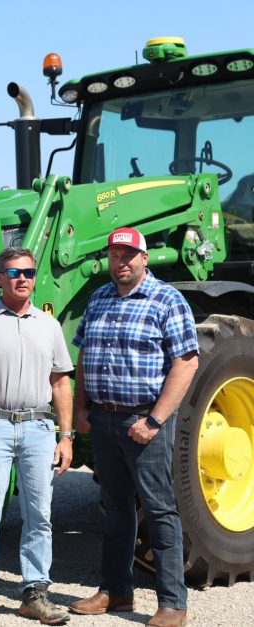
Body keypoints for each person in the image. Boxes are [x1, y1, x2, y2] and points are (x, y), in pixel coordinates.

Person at [69, 227, 199, 627]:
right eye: (114, 255)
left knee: (159, 510)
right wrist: (80, 408)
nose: (120, 262)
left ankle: (173, 603)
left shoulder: (167, 300)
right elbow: (85, 355)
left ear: (144, 258)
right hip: (104, 418)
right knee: (116, 508)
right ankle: (116, 591)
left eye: (128, 255)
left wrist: (155, 420)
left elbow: (186, 362)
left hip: (143, 421)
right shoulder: (99, 297)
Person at [0, 248, 73, 626]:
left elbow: (60, 382)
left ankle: (34, 594)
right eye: (13, 272)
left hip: (40, 429)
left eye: (28, 271)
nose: (22, 278)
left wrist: (66, 435)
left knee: (39, 514)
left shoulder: (49, 324)